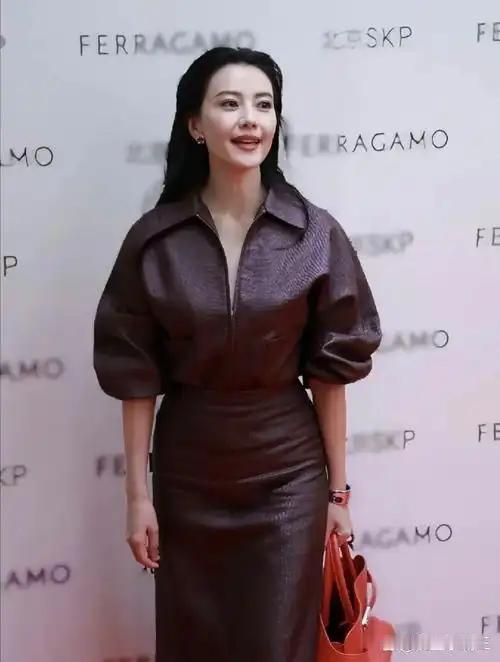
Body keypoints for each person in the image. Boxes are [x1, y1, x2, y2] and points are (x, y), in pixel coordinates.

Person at [93, 46, 382, 662]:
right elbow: (134, 375)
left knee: (278, 645)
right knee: (194, 643)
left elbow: (330, 376)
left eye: (264, 104)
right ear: (195, 125)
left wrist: (337, 496)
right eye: (230, 103)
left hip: (287, 476)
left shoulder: (314, 234)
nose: (251, 118)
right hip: (188, 473)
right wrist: (138, 497)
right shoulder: (154, 240)